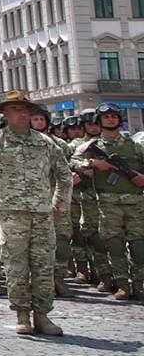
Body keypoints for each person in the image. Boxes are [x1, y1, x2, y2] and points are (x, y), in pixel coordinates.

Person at [0, 90, 73, 336]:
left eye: (25, 109)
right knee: (16, 265)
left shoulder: (45, 142)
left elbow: (65, 175)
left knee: (44, 266)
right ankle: (22, 314)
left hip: (42, 213)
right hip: (12, 215)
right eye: (15, 109)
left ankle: (42, 316)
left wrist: (60, 205)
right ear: (5, 114)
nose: (21, 114)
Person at [73, 103, 144, 298]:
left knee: (138, 247)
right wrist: (93, 163)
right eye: (106, 117)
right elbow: (73, 161)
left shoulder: (134, 145)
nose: (110, 119)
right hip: (107, 203)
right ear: (100, 121)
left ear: (119, 120)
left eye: (114, 116)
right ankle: (122, 284)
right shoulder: (92, 146)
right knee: (114, 245)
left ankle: (139, 284)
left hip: (135, 202)